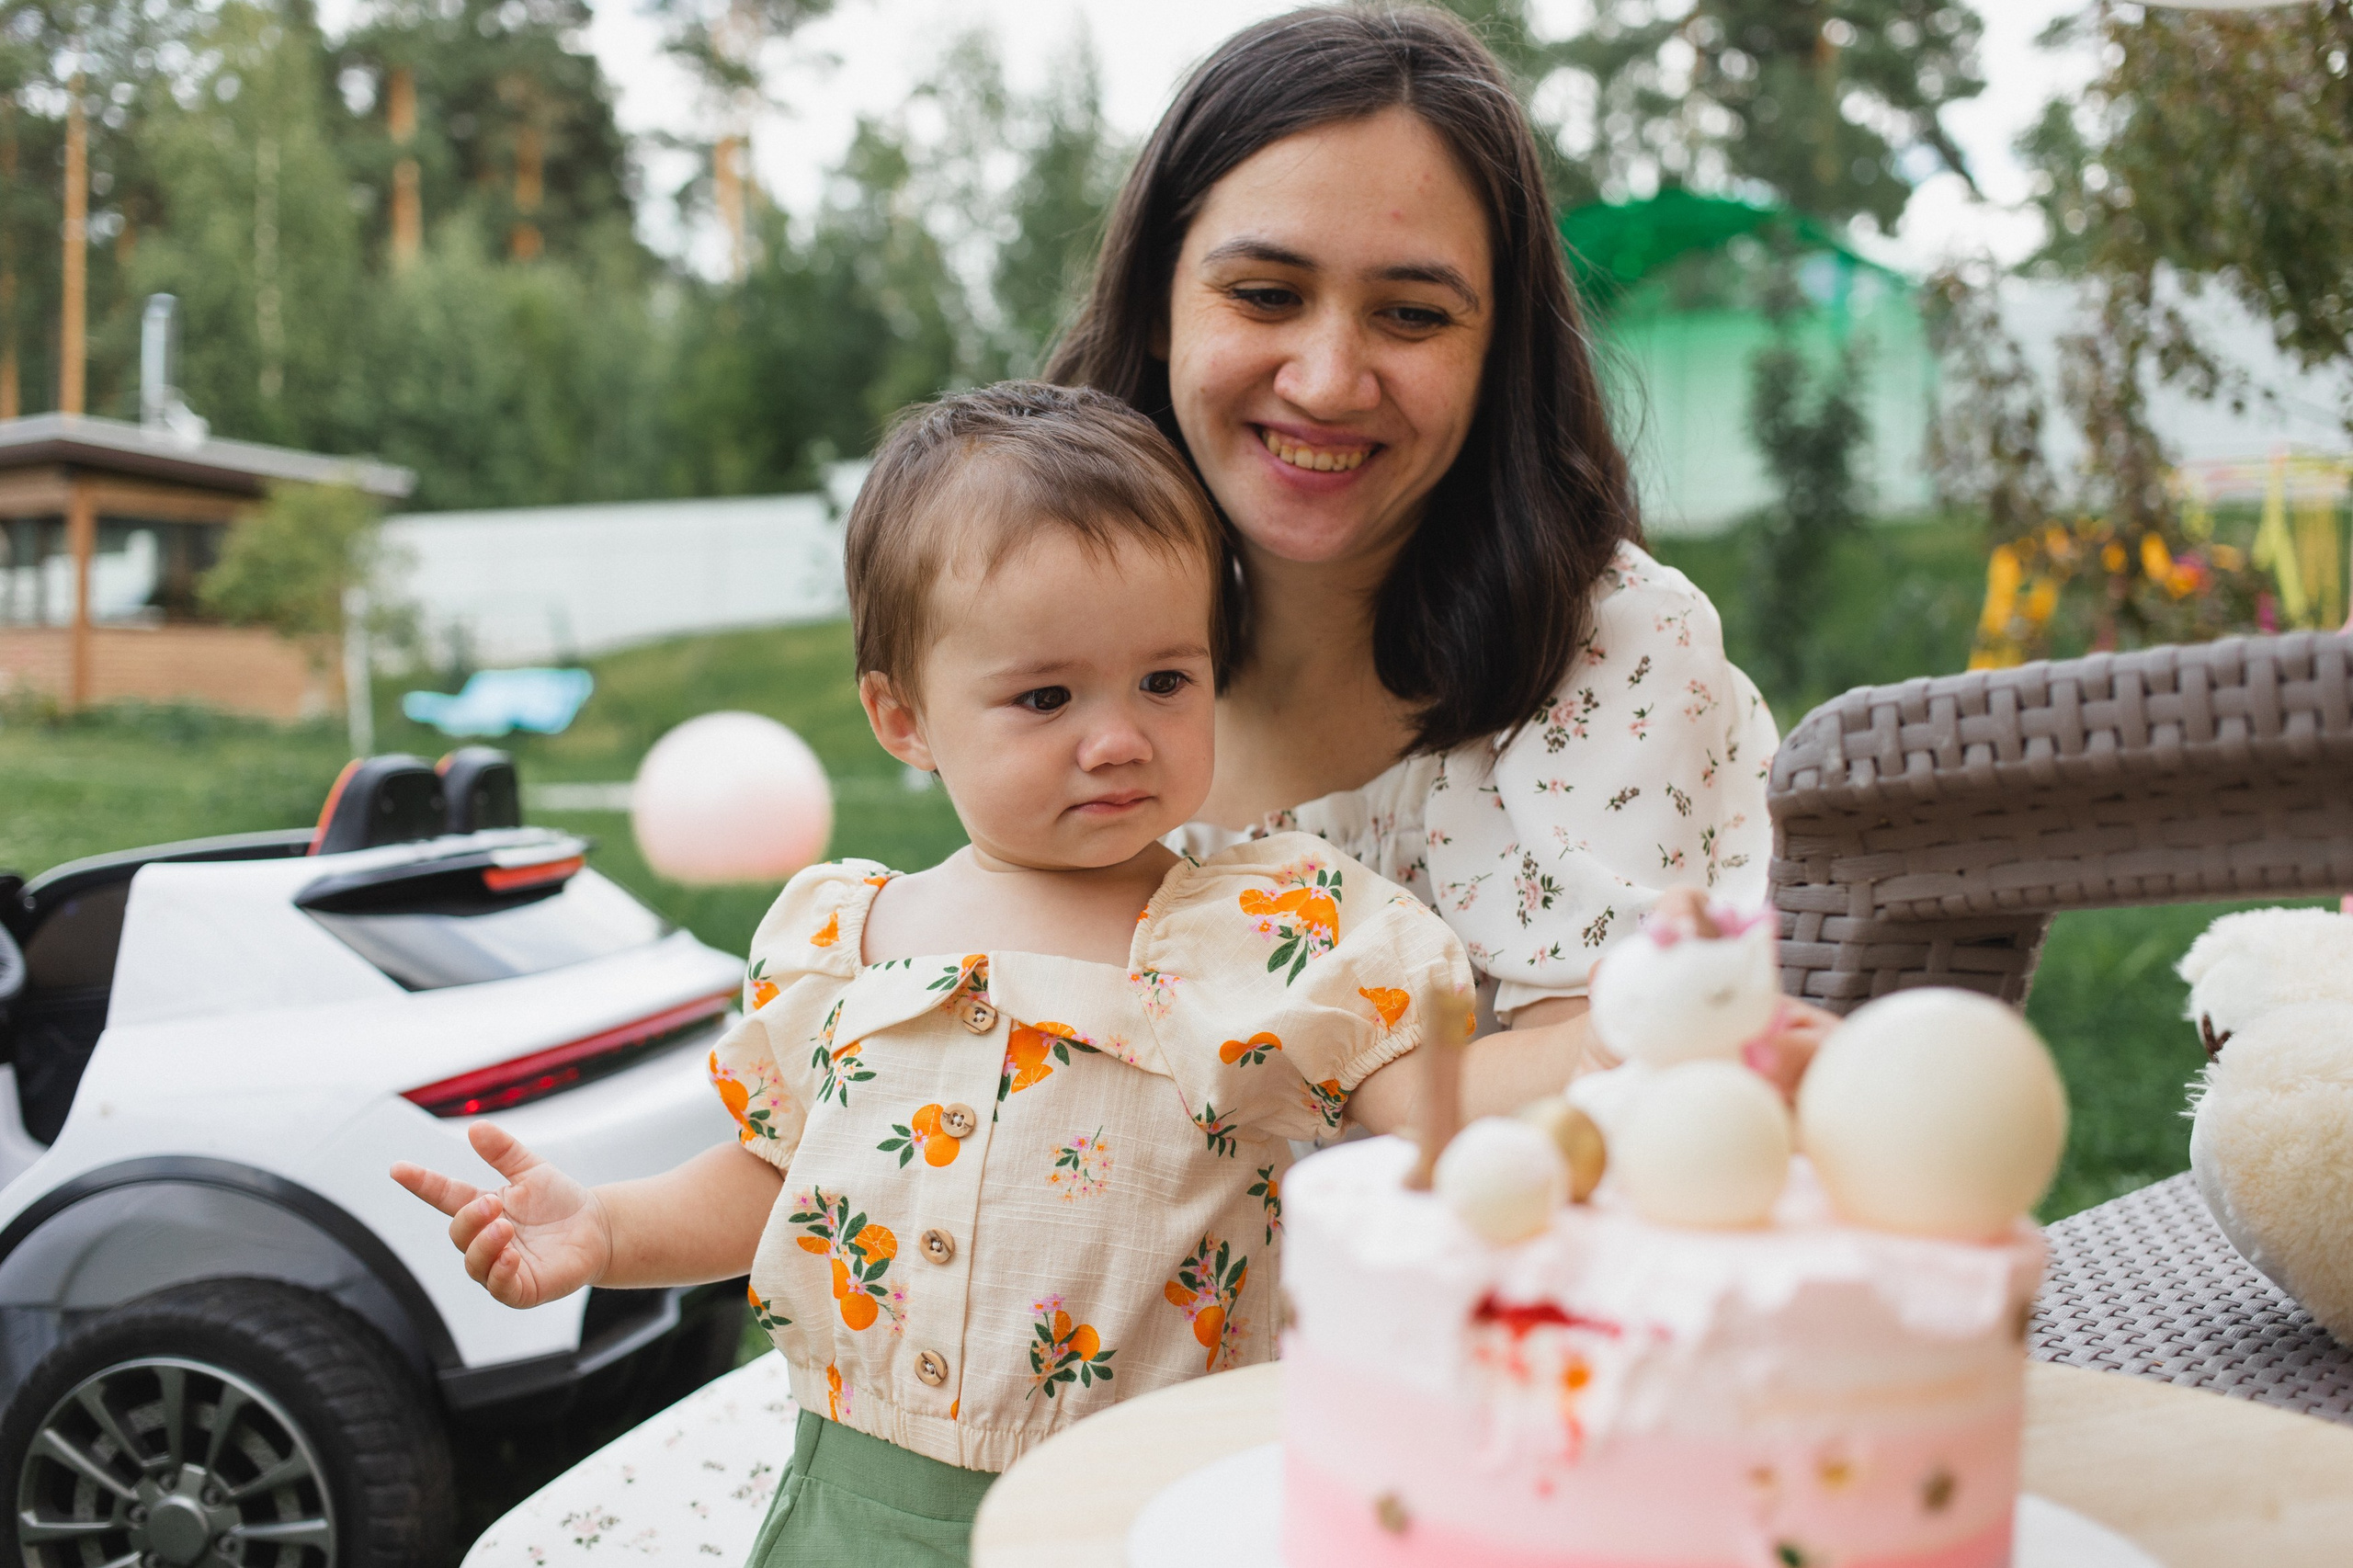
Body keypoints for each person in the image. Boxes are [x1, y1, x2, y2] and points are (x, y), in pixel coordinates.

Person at [393, 382, 1476, 1566]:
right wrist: (604, 1227)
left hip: (1137, 1507)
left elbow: (1438, 1102)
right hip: (853, 1508)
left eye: (1166, 680)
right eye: (1047, 696)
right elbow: (772, 1176)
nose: (1117, 736)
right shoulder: (844, 942)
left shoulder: (1264, 930)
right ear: (903, 717)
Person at [1044, 5, 1836, 1116]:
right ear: (1161, 305)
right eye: (1265, 294)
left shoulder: (1613, 648)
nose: (1326, 380)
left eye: (1411, 315)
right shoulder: (1063, 646)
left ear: (1495, 350)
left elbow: (1614, 1115)